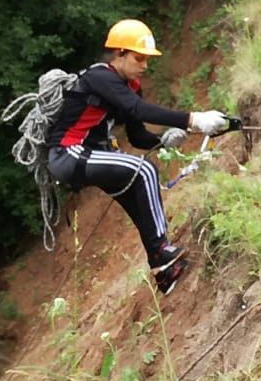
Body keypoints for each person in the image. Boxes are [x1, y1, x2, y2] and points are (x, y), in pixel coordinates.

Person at [46, 19, 229, 294]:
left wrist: (162, 140)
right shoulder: (100, 77)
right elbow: (138, 109)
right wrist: (193, 120)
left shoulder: (130, 86)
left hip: (93, 153)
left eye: (147, 60)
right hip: (68, 152)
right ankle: (161, 251)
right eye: (139, 58)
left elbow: (137, 136)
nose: (144, 65)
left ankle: (163, 272)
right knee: (143, 171)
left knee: (136, 193)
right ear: (119, 54)